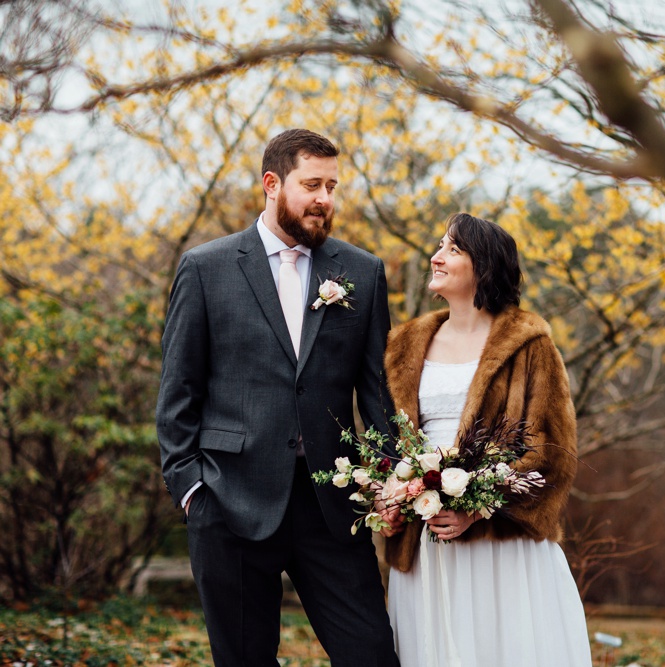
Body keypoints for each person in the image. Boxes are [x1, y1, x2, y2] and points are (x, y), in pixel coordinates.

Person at [156, 128, 399, 666]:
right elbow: (178, 391)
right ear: (272, 183)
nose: (325, 199)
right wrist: (192, 490)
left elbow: (378, 396)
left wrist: (390, 479)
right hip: (229, 502)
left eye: (332, 186)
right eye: (312, 184)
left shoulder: (361, 271)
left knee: (372, 655)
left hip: (333, 508)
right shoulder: (206, 268)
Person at [382, 212, 592, 666]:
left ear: (485, 266)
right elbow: (391, 441)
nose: (435, 258)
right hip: (425, 546)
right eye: (439, 246)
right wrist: (392, 491)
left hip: (499, 549)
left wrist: (476, 506)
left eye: (452, 250)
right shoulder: (405, 344)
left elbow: (552, 453)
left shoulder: (529, 346)